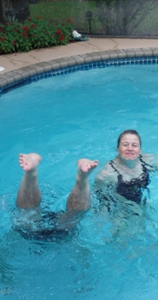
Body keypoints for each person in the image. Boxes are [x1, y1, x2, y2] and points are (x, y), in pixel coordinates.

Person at [15, 153, 98, 240]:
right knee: (71, 218)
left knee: (27, 216)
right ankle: (82, 179)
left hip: (29, 236)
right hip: (62, 235)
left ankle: (30, 175)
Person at [94, 129, 158, 212]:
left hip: (142, 202)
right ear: (117, 148)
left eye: (134, 145)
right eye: (125, 145)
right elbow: (98, 198)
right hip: (119, 208)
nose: (130, 148)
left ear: (140, 150)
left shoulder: (148, 161)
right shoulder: (107, 173)